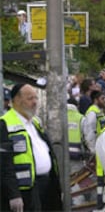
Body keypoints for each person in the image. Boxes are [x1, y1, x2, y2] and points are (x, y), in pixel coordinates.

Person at [0, 83, 62, 211]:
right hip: (25, 190)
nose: (35, 102)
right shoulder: (4, 124)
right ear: (16, 100)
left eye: (36, 98)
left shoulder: (35, 122)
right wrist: (14, 194)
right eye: (30, 98)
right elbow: (4, 164)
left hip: (46, 185)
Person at [82, 90, 105, 155]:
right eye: (102, 98)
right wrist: (93, 150)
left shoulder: (99, 112)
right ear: (96, 100)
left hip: (102, 146)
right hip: (96, 148)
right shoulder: (92, 112)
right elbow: (89, 132)